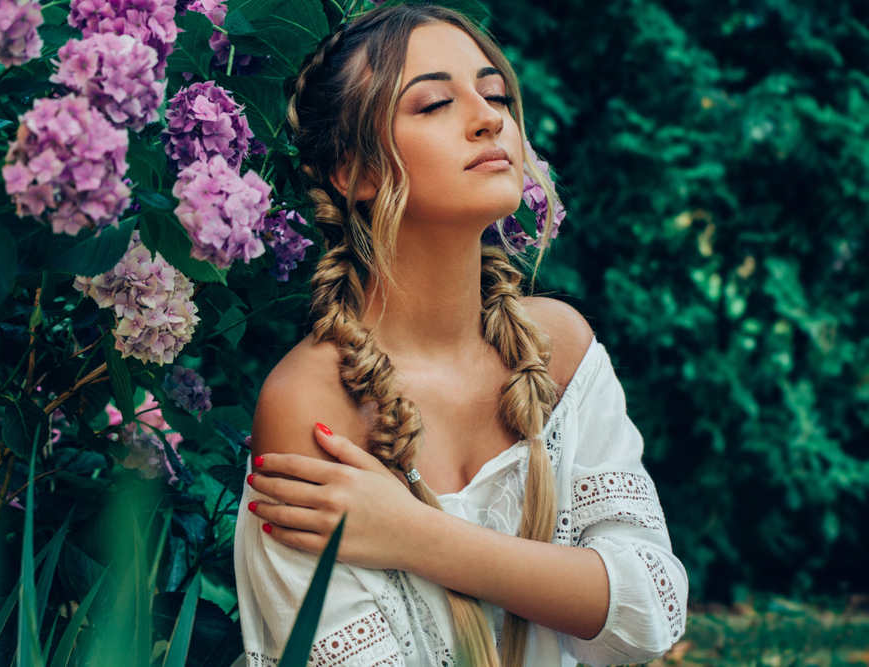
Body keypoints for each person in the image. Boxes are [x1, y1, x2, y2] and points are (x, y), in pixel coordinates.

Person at [233, 4, 688, 666]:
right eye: (434, 103)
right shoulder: (312, 403)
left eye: (495, 93)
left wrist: (418, 535)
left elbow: (652, 607)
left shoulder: (557, 347)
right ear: (353, 171)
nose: (489, 117)